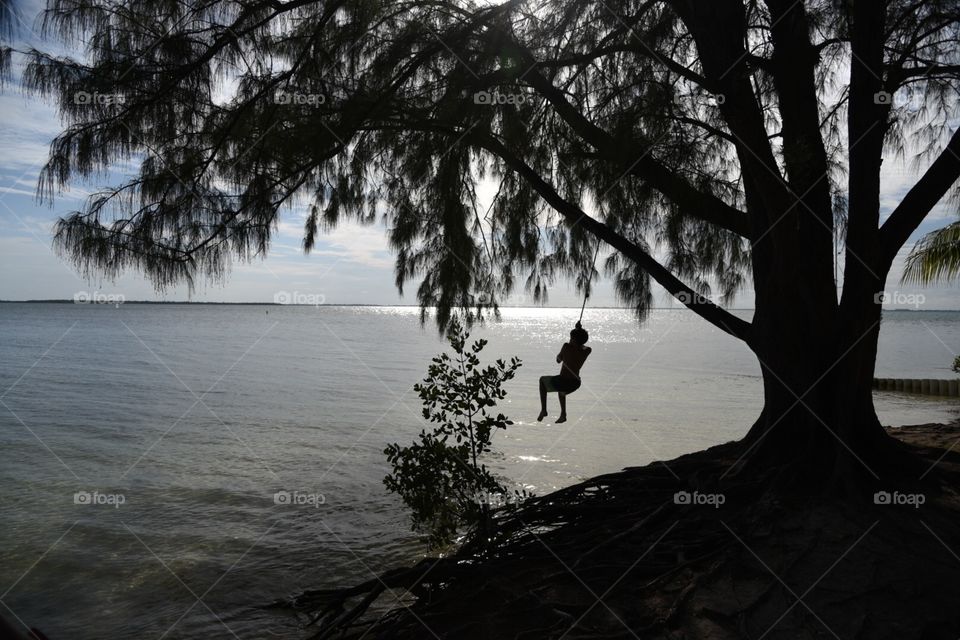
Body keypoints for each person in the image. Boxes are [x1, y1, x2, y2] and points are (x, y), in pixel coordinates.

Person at [538, 322, 591, 423]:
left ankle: (544, 410)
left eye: (571, 338)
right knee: (562, 392)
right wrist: (578, 332)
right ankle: (563, 414)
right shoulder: (586, 351)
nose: (570, 340)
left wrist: (561, 354)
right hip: (575, 383)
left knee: (542, 381)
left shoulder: (566, 347)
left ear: (574, 340)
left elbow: (558, 360)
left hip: (564, 381)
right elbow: (584, 347)